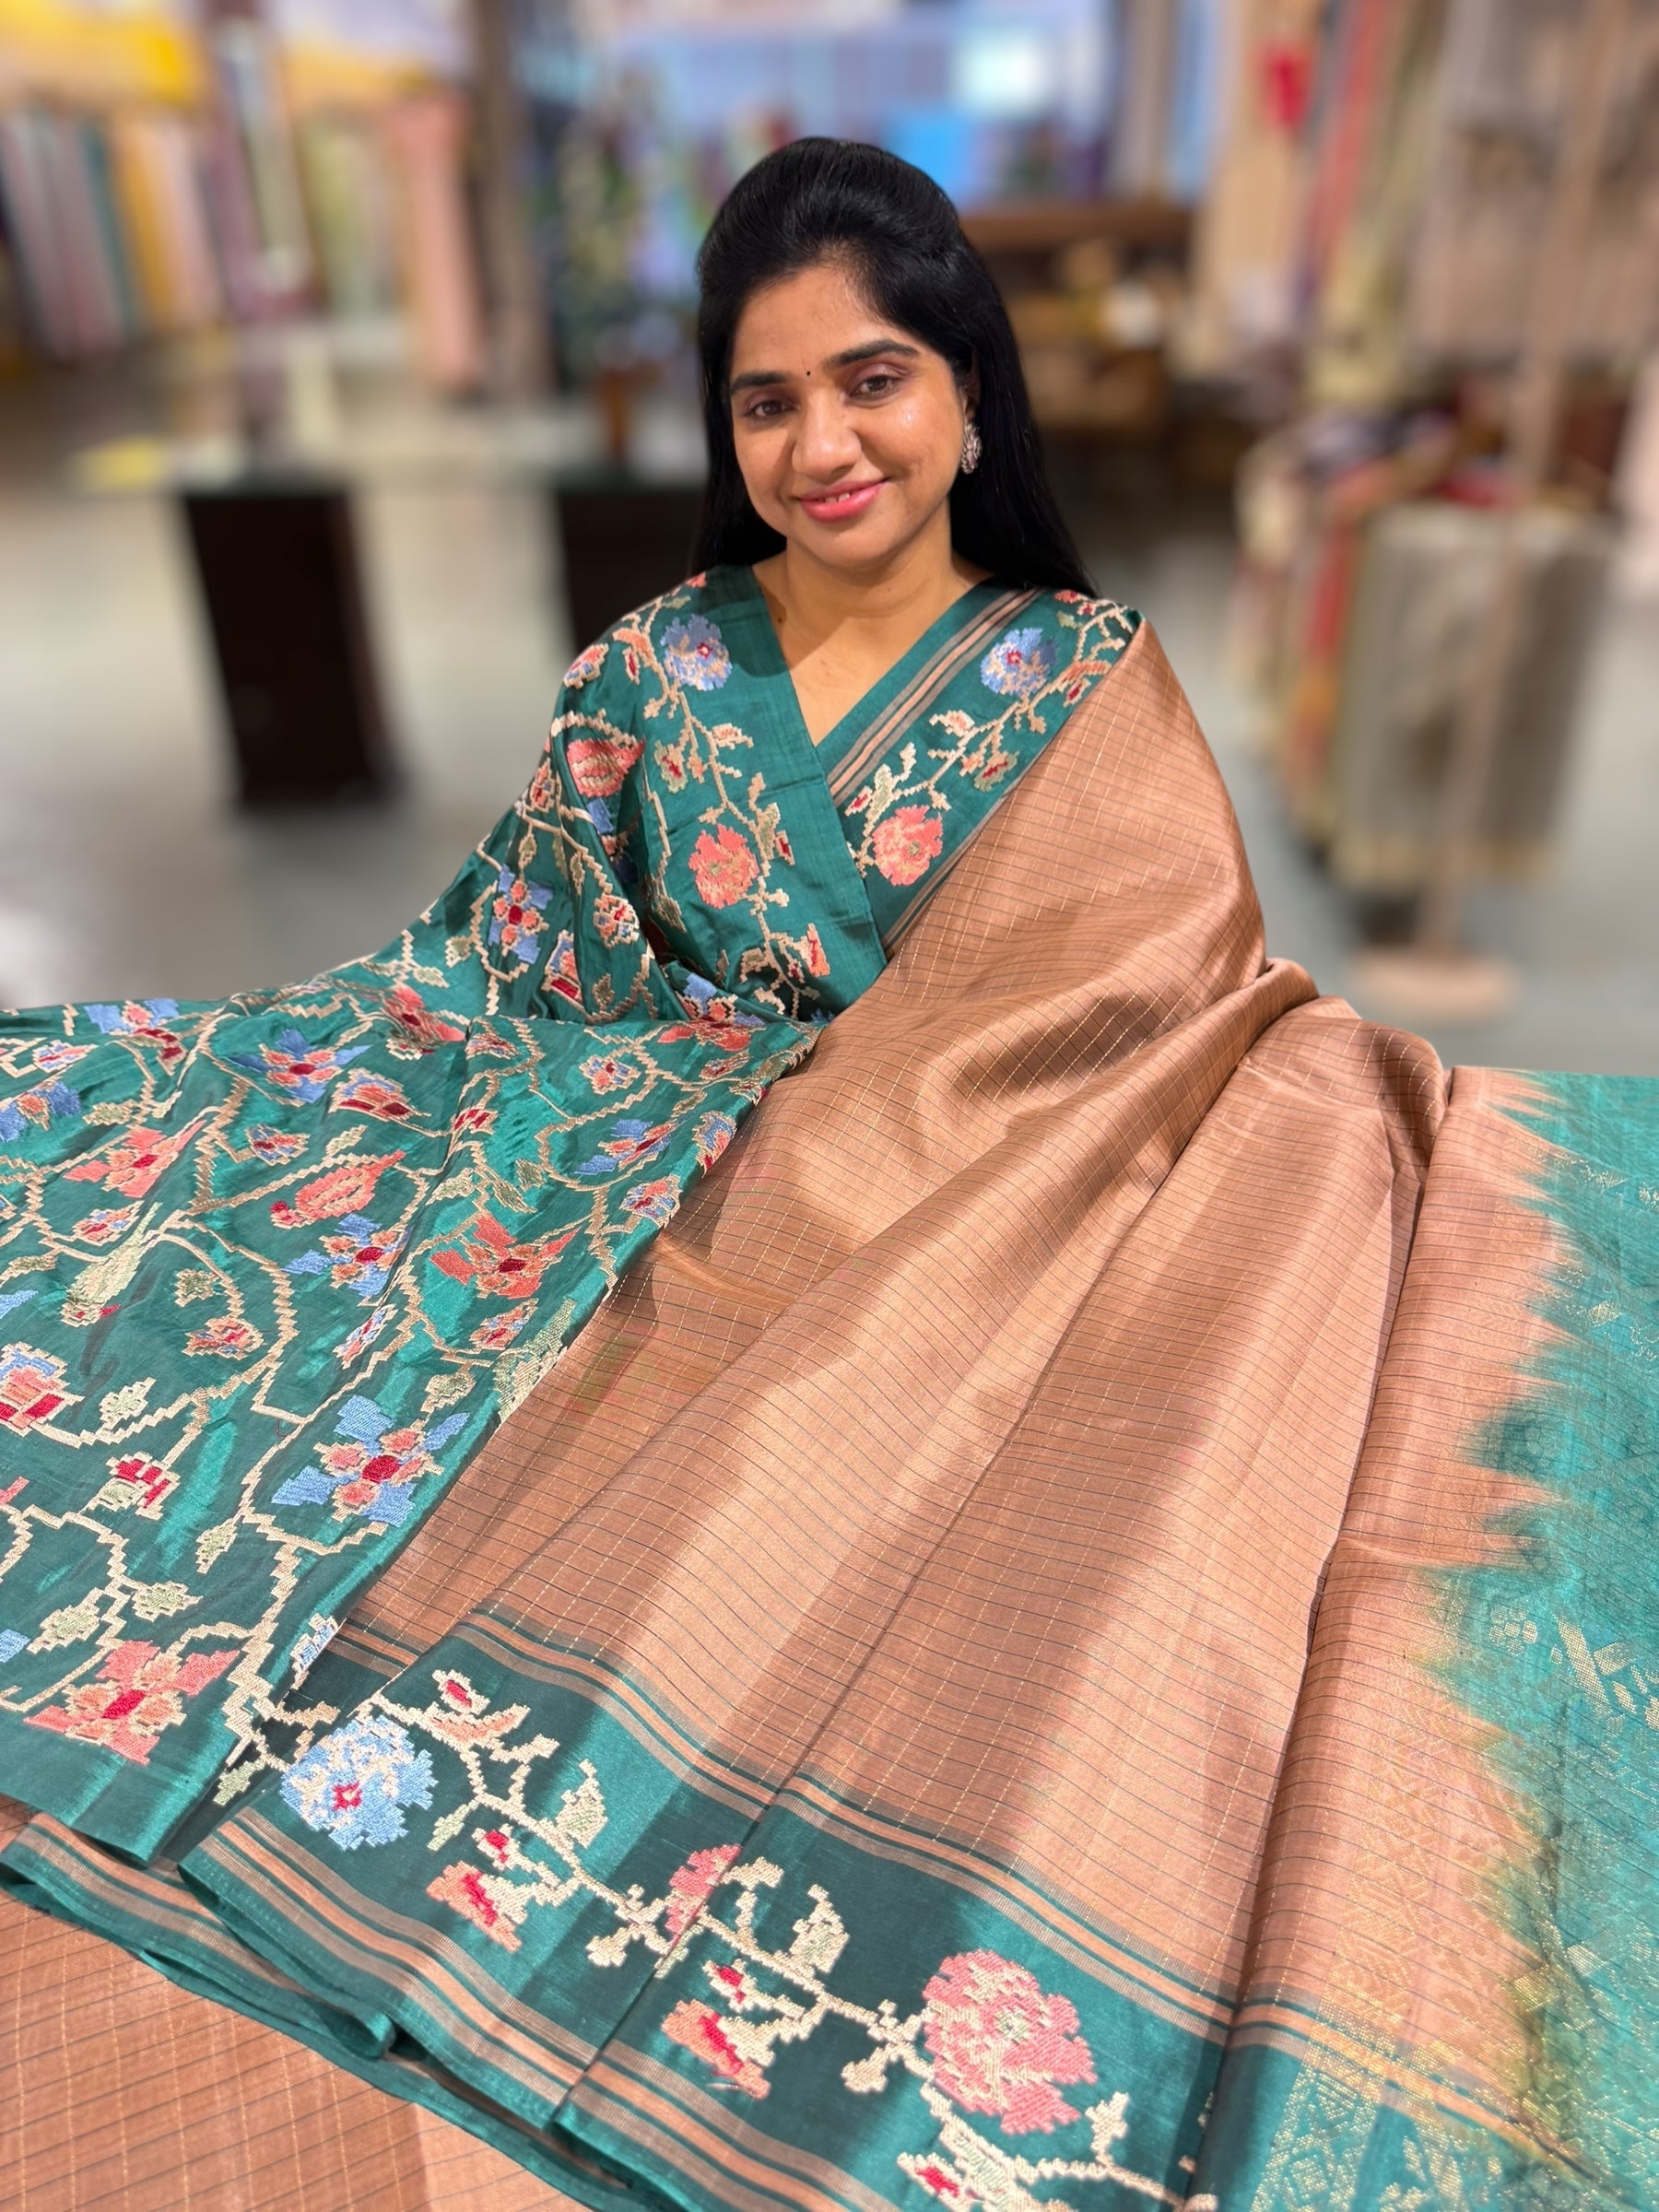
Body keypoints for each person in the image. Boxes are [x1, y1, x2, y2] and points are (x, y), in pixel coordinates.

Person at [1, 139, 1653, 2212]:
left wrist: (854, 1139)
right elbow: (512, 968)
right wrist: (628, 1108)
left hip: (969, 1193)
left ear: (966, 391)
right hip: (654, 1185)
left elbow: (1132, 1012)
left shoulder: (1080, 677)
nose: (823, 445)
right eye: (767, 400)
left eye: (872, 380)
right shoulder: (654, 672)